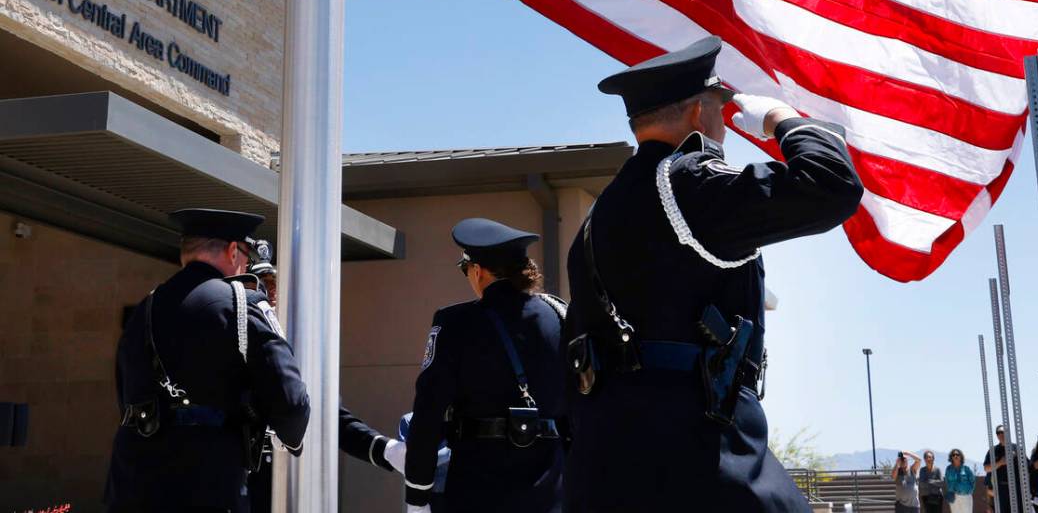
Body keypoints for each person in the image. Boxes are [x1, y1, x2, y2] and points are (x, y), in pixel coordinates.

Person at [562, 37, 864, 512]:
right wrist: (784, 121)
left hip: (606, 461)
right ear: (699, 117)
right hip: (696, 455)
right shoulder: (686, 182)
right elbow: (830, 186)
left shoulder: (600, 216)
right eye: (721, 107)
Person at [104, 209, 311, 513]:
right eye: (244, 254)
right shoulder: (242, 304)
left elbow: (125, 394)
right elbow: (291, 401)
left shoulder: (145, 308)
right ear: (232, 251)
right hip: (207, 482)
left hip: (132, 482)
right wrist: (292, 439)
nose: (244, 264)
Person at [402, 218, 567, 513]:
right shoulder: (559, 316)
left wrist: (417, 492)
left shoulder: (455, 323)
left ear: (477, 271)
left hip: (478, 493)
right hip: (551, 494)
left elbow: (429, 410)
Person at [241, 247, 406, 511]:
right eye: (264, 287)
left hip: (300, 485)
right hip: (245, 483)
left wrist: (387, 450)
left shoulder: (302, 353)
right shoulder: (237, 346)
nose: (271, 296)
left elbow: (333, 421)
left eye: (276, 287)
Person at [984, 425, 1028, 513]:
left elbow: (1027, 466)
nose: (1001, 434)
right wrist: (1000, 463)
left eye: (1003, 432)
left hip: (1017, 488)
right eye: (998, 433)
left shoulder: (1017, 448)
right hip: (1000, 489)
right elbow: (986, 468)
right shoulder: (993, 451)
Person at [944, 449, 975, 513]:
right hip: (954, 497)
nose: (955, 456)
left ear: (961, 456)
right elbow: (947, 481)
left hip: (965, 497)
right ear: (951, 457)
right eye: (953, 455)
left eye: (957, 454)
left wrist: (968, 491)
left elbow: (973, 481)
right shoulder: (948, 469)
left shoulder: (966, 469)